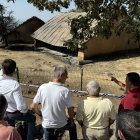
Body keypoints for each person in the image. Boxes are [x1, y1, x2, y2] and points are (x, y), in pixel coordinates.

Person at [31, 65, 77, 140]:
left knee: (48, 133)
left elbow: (33, 107)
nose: (67, 78)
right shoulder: (65, 90)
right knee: (73, 126)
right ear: (61, 76)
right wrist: (71, 120)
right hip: (61, 123)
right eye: (66, 76)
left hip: (47, 124)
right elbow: (70, 110)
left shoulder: (42, 87)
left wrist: (41, 115)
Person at [0, 59, 36, 140]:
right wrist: (26, 111)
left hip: (3, 112)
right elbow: (20, 106)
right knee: (32, 118)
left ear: (3, 69)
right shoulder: (15, 84)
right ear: (14, 70)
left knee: (10, 122)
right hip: (13, 113)